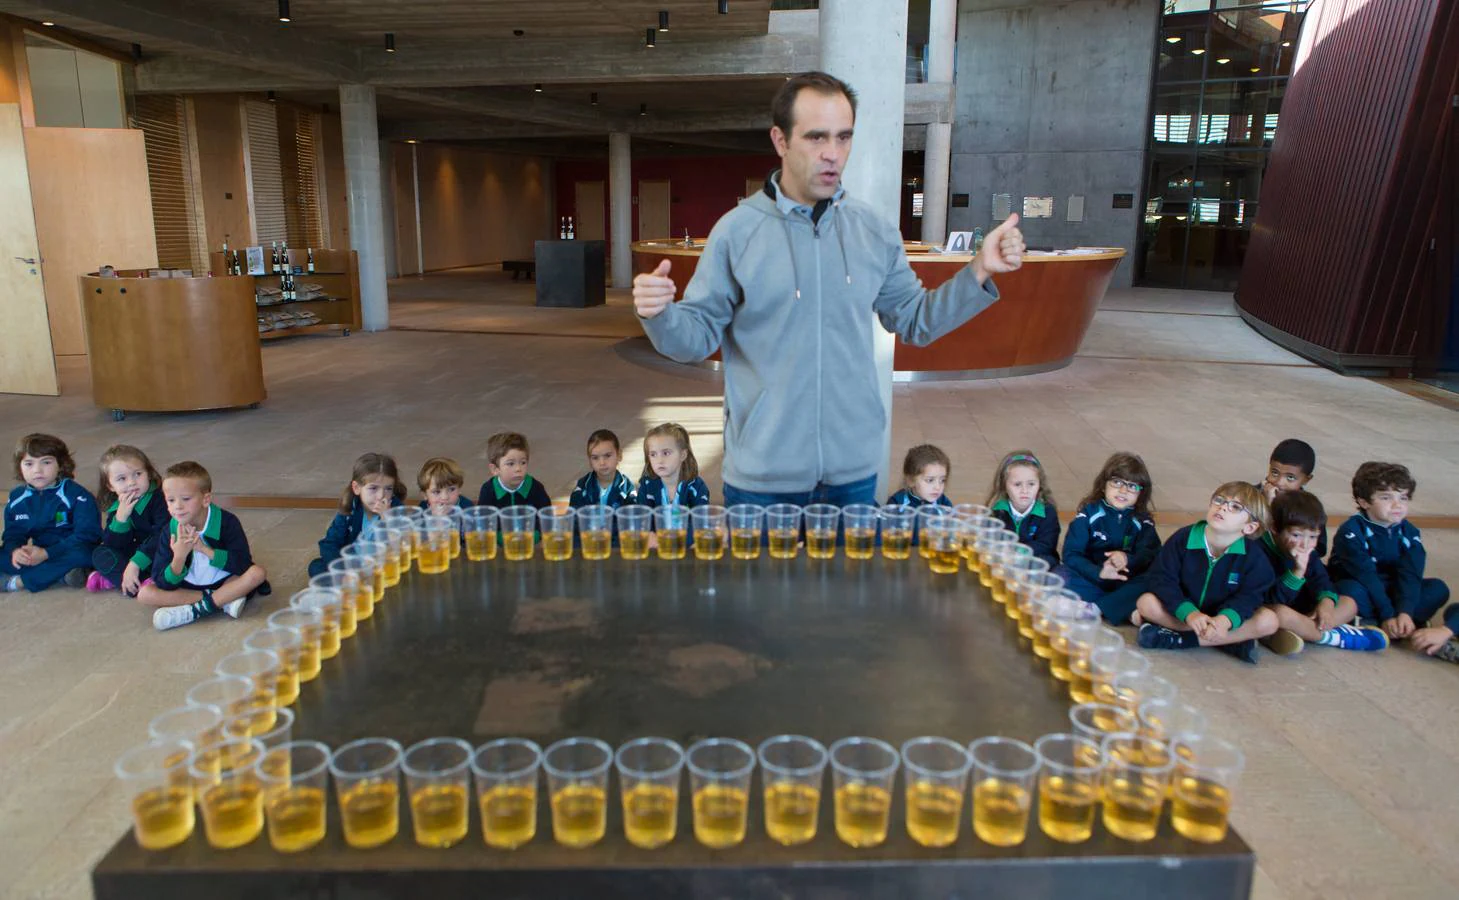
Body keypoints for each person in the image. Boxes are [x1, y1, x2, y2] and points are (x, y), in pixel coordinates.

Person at [633, 70, 1025, 509]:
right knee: (764, 582)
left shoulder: (873, 230)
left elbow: (915, 320)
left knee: (845, 582)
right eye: (816, 138)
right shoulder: (736, 232)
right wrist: (660, 315)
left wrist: (979, 271)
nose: (832, 154)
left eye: (843, 138)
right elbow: (697, 336)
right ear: (780, 141)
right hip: (763, 478)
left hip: (852, 474)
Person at [1135, 482, 1279, 663]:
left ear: (1249, 527)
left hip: (1221, 618)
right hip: (1185, 614)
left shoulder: (1254, 558)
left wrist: (1226, 620)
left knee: (1269, 620)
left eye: (1235, 507)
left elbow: (1250, 596)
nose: (1223, 508)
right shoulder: (1183, 538)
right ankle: (1230, 642)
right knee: (1146, 603)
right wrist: (1189, 613)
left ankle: (1180, 639)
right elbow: (1162, 579)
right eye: (1219, 500)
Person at [1328, 461, 1450, 643]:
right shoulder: (1351, 531)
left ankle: (1395, 623)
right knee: (1351, 591)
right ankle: (1390, 624)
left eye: (1403, 498)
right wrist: (1387, 614)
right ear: (1364, 501)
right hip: (1362, 585)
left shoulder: (1410, 533)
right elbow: (1366, 576)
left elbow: (1410, 575)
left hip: (1392, 588)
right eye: (1386, 498)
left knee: (1438, 589)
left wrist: (1404, 612)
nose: (1397, 505)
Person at [141, 461, 269, 631]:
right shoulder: (169, 530)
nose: (177, 506)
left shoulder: (227, 522)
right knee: (145, 594)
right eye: (170, 500)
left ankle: (193, 611)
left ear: (206, 499)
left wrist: (205, 550)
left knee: (256, 574)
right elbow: (162, 582)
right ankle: (222, 601)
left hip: (225, 581)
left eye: (185, 499)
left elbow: (242, 563)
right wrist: (178, 557)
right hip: (189, 588)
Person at [1258, 491, 1387, 654]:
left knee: (1350, 603)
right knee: (1279, 614)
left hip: (1305, 611)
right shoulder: (1258, 551)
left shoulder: (1308, 551)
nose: (1305, 544)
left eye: (1313, 537)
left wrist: (1326, 604)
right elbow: (1271, 599)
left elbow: (1322, 580)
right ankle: (1333, 636)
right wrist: (1297, 572)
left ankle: (1305, 629)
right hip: (1275, 607)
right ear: (1275, 527)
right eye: (1296, 535)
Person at [1056, 452, 1161, 625]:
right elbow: (1071, 554)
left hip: (1125, 581)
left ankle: (1095, 609)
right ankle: (1122, 608)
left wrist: (1127, 559)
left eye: (1132, 486)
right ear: (1103, 485)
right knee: (1059, 575)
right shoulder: (1088, 514)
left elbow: (1151, 554)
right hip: (1094, 577)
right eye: (1117, 482)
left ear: (1141, 494)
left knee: (1155, 579)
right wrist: (1099, 573)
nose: (1123, 490)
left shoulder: (1143, 521)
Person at [2, 433, 100, 593]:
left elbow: (87, 535)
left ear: (60, 465)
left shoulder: (77, 494)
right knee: (6, 554)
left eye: (46, 462)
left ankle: (19, 582)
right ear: (20, 467)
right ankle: (61, 574)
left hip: (71, 548)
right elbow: (13, 533)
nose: (37, 470)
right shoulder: (17, 498)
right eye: (29, 464)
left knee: (88, 555)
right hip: (39, 551)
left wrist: (47, 554)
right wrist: (16, 551)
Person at [308, 452, 405, 577]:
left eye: (388, 489)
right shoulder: (350, 508)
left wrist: (387, 520)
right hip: (352, 567)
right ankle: (349, 586)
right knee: (316, 567)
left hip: (381, 566)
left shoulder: (396, 509)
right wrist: (343, 571)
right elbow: (329, 543)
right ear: (357, 488)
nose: (381, 496)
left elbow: (400, 546)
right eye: (373, 488)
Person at [90, 444, 168, 596]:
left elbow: (164, 535)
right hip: (136, 555)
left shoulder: (160, 499)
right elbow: (113, 545)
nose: (131, 482)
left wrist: (136, 563)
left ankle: (123, 580)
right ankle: (138, 583)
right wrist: (121, 518)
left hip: (159, 551)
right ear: (110, 486)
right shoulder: (118, 506)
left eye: (138, 474)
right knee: (99, 553)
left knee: (173, 555)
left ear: (149, 473)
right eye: (121, 479)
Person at [985, 449, 1059, 567]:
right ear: (1004, 485)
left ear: (1040, 484)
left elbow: (1046, 545)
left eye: (1031, 484)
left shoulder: (1047, 512)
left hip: (1035, 560)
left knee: (1050, 562)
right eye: (1017, 484)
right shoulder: (996, 511)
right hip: (1004, 560)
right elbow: (989, 538)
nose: (1025, 490)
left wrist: (1017, 552)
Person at [1258, 438, 1327, 557]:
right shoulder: (1250, 496)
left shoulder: (1309, 507)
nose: (1279, 482)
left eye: (1290, 478)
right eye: (1274, 472)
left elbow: (1319, 549)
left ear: (1306, 479)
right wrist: (1266, 507)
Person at [636, 423, 711, 508]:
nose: (659, 460)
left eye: (666, 453)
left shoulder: (697, 487)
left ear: (683, 455)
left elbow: (701, 517)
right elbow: (643, 517)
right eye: (653, 454)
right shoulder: (646, 486)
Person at [476, 432, 552, 511]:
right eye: (511, 464)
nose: (518, 468)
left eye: (523, 462)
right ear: (495, 469)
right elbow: (483, 519)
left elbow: (546, 516)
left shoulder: (536, 488)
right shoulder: (488, 490)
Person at [569, 429, 636, 509]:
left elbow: (634, 516)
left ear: (619, 455)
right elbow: (574, 515)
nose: (602, 462)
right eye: (595, 458)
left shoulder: (627, 488)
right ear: (590, 460)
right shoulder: (583, 486)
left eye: (607, 456)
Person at [888, 444, 954, 509]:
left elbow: (952, 518)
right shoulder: (896, 503)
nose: (938, 487)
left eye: (942, 480)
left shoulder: (943, 503)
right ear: (910, 480)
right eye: (930, 480)